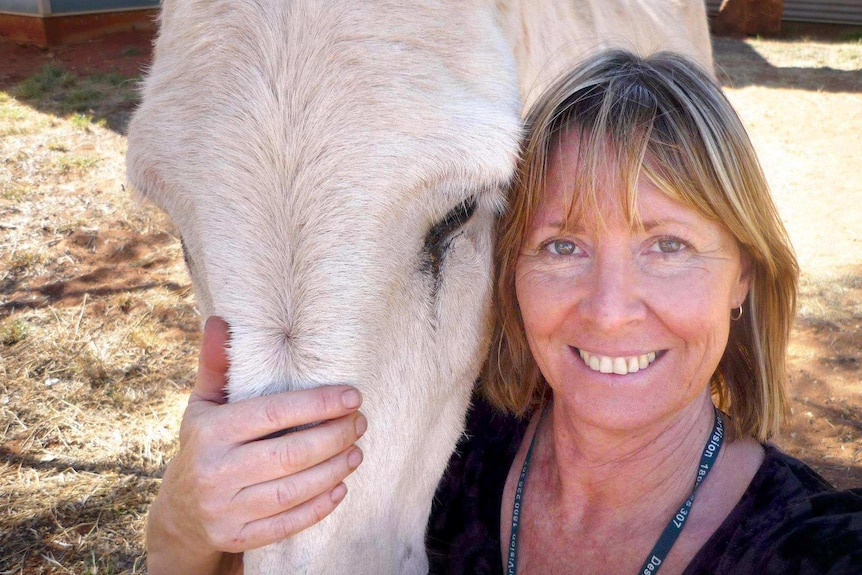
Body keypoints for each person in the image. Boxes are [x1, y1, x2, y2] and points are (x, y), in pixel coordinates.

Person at [146, 50, 862, 574]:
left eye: (668, 245)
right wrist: (184, 515)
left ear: (744, 274)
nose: (610, 311)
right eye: (562, 245)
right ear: (509, 271)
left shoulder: (813, 549)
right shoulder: (436, 452)